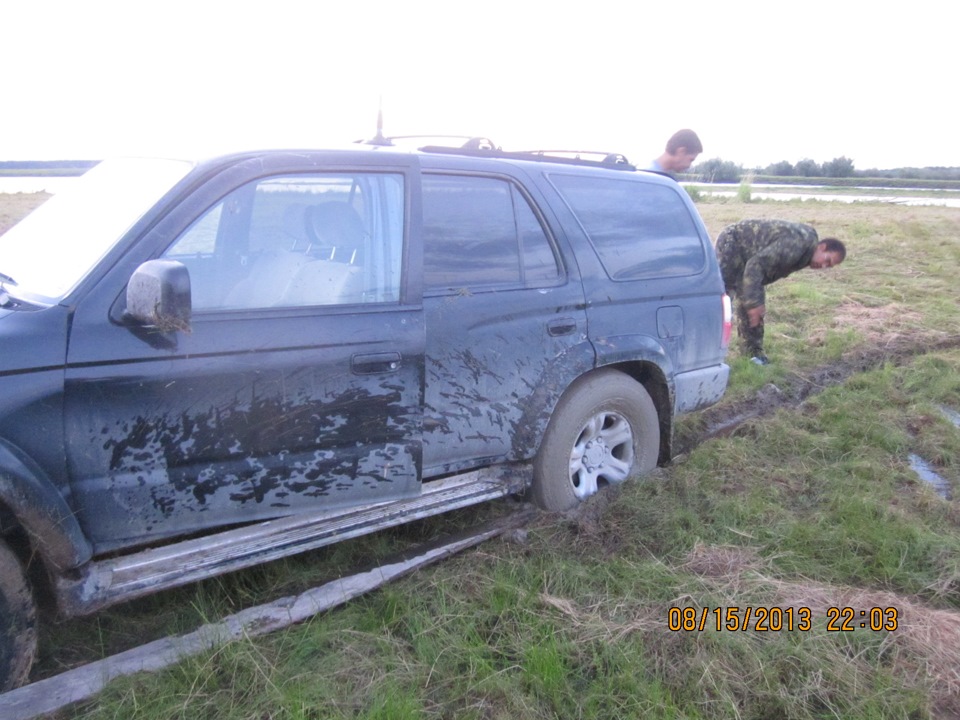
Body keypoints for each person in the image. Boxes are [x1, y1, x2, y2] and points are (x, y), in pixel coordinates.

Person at [715, 219, 846, 365]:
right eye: (827, 260)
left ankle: (753, 355)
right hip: (733, 241)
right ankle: (708, 351)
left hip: (751, 255)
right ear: (822, 247)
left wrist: (753, 300)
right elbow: (755, 266)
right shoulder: (798, 245)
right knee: (722, 295)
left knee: (753, 302)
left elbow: (760, 271)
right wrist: (753, 302)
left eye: (828, 266)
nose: (823, 266)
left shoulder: (806, 253)